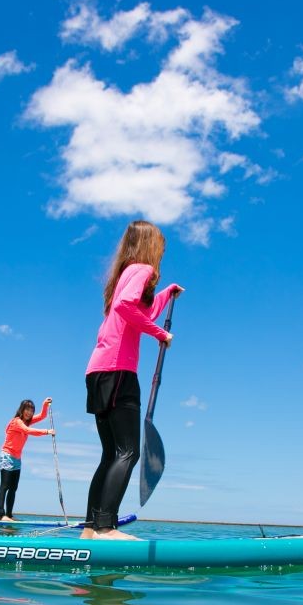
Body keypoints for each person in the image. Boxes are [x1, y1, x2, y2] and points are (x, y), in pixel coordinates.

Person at [83, 220, 182, 540]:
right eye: (161, 248)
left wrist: (166, 293)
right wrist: (160, 334)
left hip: (97, 371)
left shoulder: (123, 275)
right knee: (128, 452)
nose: (161, 256)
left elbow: (139, 312)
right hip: (119, 371)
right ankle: (106, 527)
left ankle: (90, 529)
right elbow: (131, 309)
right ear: (150, 246)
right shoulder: (142, 269)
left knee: (111, 453)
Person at [0, 397, 53, 521]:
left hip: (17, 459)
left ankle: (9, 515)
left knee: (13, 488)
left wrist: (45, 404)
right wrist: (47, 431)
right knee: (5, 486)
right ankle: (1, 514)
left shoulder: (27, 422)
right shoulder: (16, 422)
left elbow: (42, 416)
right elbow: (28, 430)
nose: (29, 413)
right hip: (7, 456)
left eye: (31, 410)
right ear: (21, 410)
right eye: (27, 409)